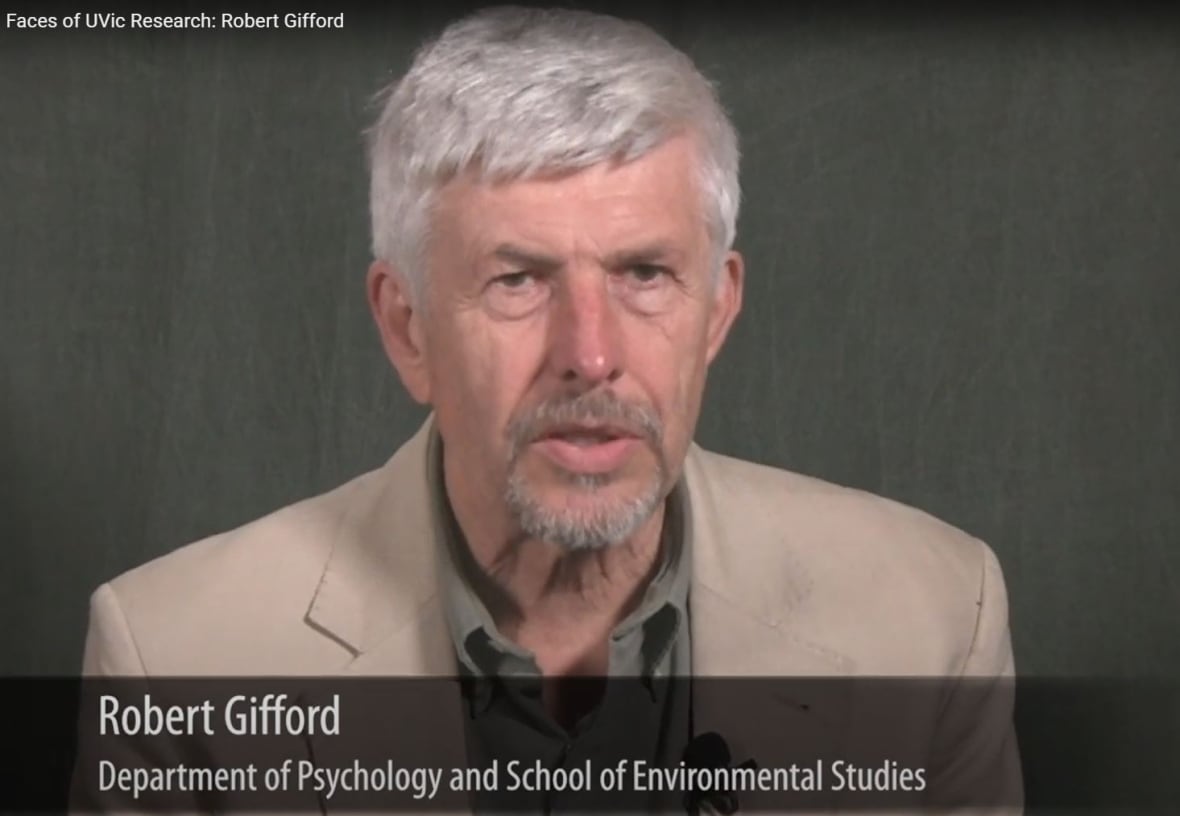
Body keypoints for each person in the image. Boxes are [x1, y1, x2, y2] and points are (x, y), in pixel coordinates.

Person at [74, 6, 1022, 813]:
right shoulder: (174, 661)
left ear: (717, 311)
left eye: (644, 274)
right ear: (407, 330)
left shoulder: (936, 620)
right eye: (519, 280)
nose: (591, 356)